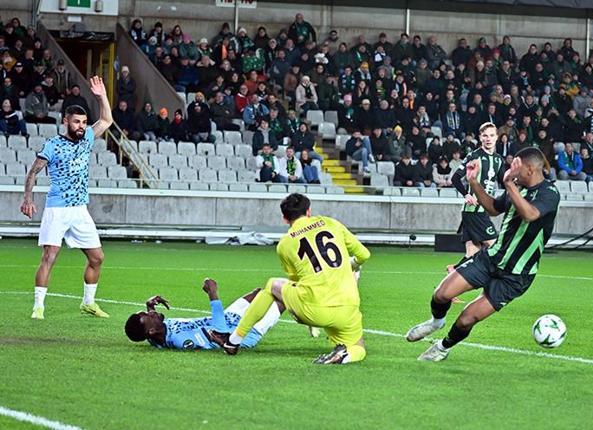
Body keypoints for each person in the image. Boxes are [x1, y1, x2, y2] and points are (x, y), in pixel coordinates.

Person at [405, 147, 560, 361]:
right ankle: (435, 322)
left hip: (516, 276)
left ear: (531, 169)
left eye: (516, 167)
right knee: (441, 294)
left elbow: (530, 215)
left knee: (466, 319)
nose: (511, 171)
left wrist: (508, 183)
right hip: (491, 258)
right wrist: (474, 183)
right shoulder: (517, 187)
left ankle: (442, 347)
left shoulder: (549, 193)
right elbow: (494, 208)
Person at [209, 193, 371, 364]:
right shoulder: (331, 223)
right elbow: (364, 255)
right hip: (347, 307)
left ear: (285, 219)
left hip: (313, 309)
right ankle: (346, 356)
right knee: (358, 347)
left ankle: (233, 341)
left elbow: (297, 282)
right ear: (309, 211)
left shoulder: (285, 244)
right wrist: (351, 264)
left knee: (272, 284)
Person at [20, 76, 113, 320]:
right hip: (58, 209)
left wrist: (102, 96)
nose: (81, 126)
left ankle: (88, 303)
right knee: (49, 256)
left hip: (80, 209)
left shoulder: (87, 139)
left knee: (97, 258)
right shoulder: (53, 145)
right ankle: (38, 307)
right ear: (66, 122)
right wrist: (28, 198)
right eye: (77, 122)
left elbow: (106, 120)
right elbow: (33, 172)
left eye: (84, 122)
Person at [124, 278, 281, 350]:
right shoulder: (181, 340)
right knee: (282, 298)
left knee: (260, 292)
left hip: (229, 317)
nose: (153, 313)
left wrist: (149, 305)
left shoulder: (155, 334)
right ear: (151, 331)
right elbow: (222, 334)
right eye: (149, 316)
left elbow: (149, 327)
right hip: (244, 331)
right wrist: (212, 294)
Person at [448, 122, 505, 272]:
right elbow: (455, 178)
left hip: (482, 211)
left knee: (472, 253)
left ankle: (453, 271)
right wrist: (466, 195)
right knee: (495, 246)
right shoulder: (474, 156)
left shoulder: (499, 160)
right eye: (485, 135)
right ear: (480, 138)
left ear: (497, 137)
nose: (488, 139)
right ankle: (494, 284)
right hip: (473, 211)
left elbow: (505, 182)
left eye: (492, 135)